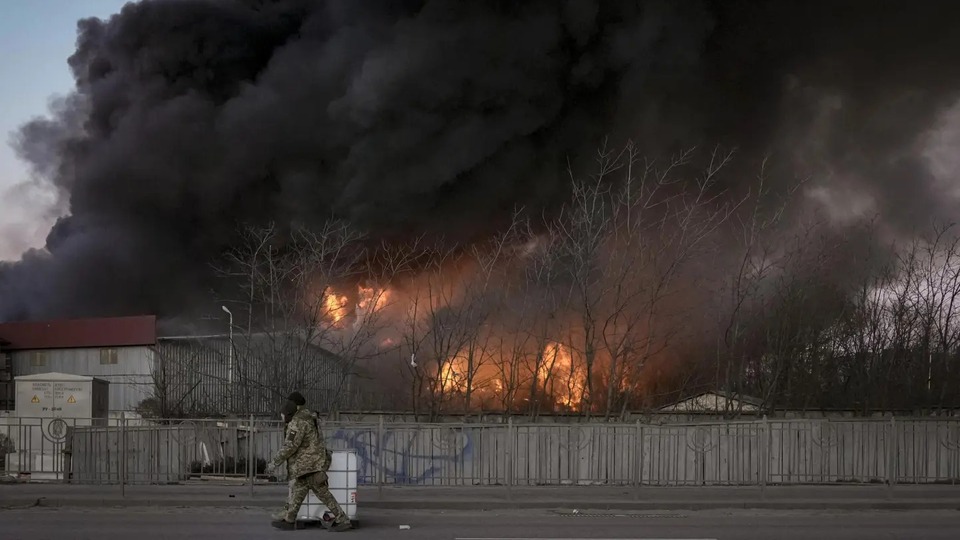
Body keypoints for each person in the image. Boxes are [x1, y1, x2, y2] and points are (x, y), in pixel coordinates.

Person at [268, 400, 351, 531]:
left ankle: (343, 519)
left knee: (322, 493)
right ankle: (289, 520)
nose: (282, 417)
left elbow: (290, 446)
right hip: (312, 463)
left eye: (283, 415)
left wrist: (274, 463)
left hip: (309, 464)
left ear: (288, 414)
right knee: (299, 490)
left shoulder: (296, 423)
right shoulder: (309, 418)